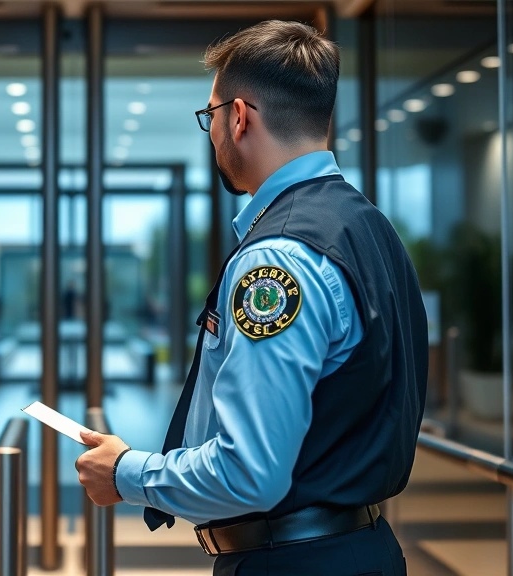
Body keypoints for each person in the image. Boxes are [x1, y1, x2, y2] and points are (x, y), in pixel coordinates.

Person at [75, 20, 427, 575]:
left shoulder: (277, 257)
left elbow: (250, 471)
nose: (211, 131)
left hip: (291, 561)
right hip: (357, 550)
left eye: (209, 115)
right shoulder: (367, 227)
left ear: (238, 117)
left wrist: (127, 473)